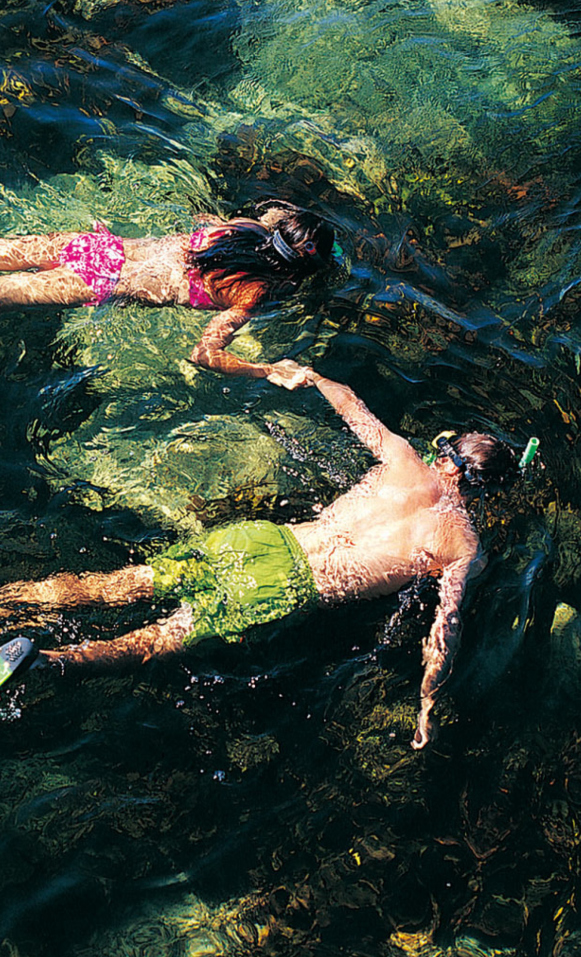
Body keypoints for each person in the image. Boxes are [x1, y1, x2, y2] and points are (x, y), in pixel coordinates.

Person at [0, 371, 520, 748]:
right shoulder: (462, 543)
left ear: (447, 451)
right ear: (484, 492)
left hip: (261, 540)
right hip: (284, 585)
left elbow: (349, 399)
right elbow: (443, 626)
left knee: (122, 583)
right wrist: (428, 700)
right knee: (153, 642)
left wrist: (306, 374)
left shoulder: (404, 456)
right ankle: (43, 661)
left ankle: (8, 601)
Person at [0, 202, 335, 386]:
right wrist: (267, 370)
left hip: (100, 245)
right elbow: (203, 354)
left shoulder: (243, 227)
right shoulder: (256, 293)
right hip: (101, 282)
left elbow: (203, 217)